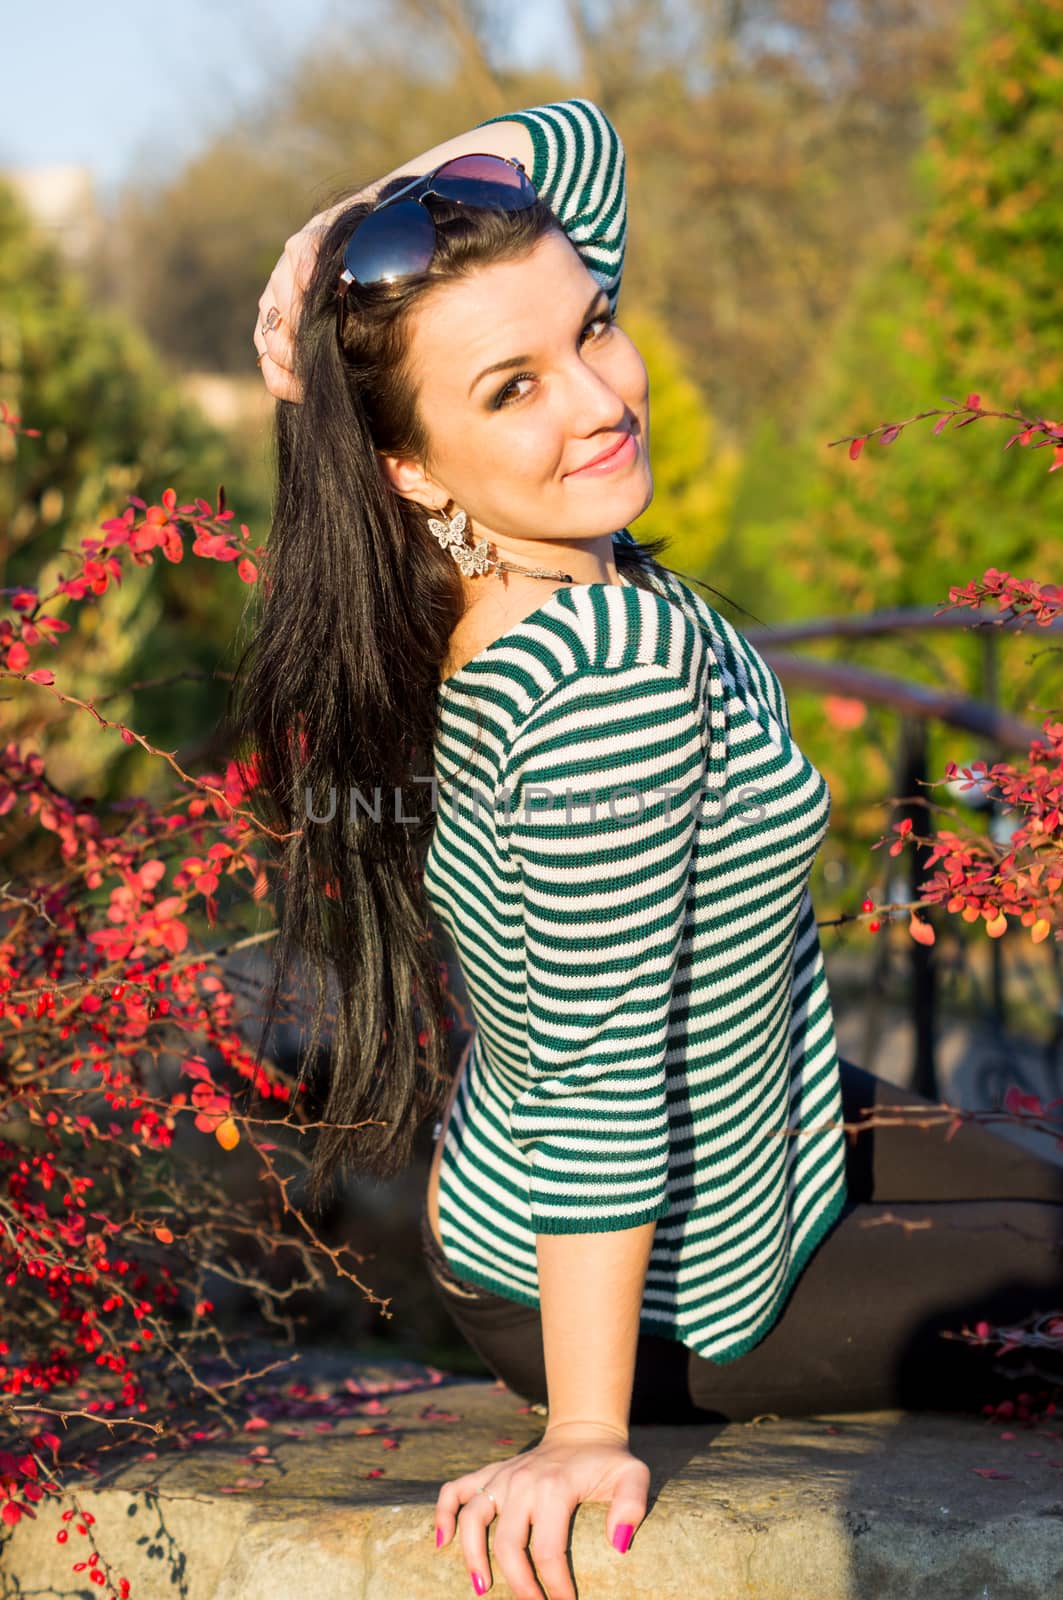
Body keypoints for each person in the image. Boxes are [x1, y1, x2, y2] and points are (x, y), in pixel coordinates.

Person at [242, 98, 1062, 1600]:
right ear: (414, 474)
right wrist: (588, 1427)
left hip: (777, 1127)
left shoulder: (533, 565)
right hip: (679, 1272)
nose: (599, 397)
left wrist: (355, 225)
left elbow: (581, 144)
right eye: (513, 388)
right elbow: (604, 1064)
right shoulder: (594, 672)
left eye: (595, 328)